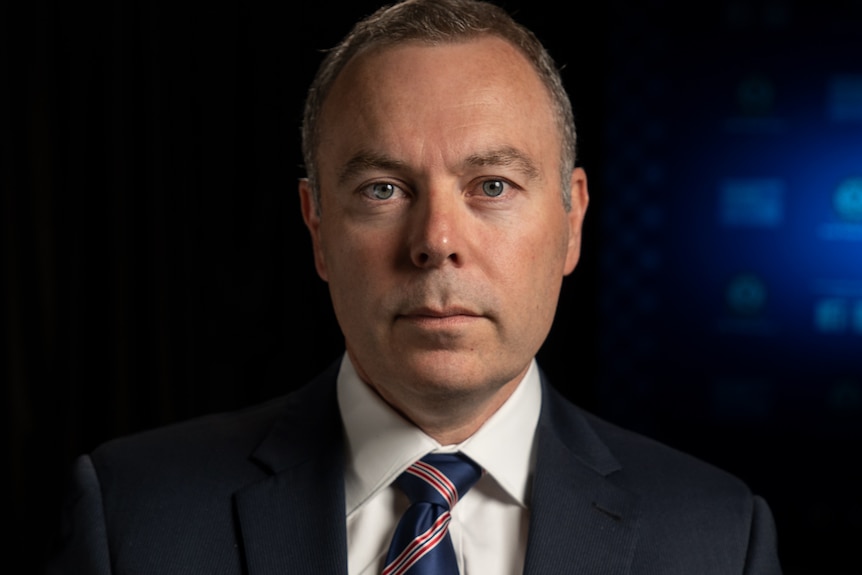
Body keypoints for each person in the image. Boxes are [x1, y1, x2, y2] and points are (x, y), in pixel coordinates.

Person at [46, 0, 783, 573]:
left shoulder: (718, 536)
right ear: (317, 227)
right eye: (383, 189)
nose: (435, 241)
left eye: (492, 184)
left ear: (571, 220)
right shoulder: (134, 514)